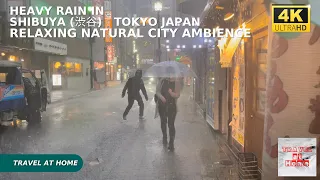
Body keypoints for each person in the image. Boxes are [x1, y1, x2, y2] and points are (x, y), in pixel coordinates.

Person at [155, 67, 181, 151]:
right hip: (162, 106)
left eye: (171, 73)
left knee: (171, 124)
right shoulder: (162, 81)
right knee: (163, 122)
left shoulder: (177, 82)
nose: (170, 75)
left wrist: (171, 93)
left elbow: (177, 95)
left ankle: (171, 143)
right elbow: (157, 92)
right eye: (168, 73)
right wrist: (161, 97)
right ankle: (164, 137)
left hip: (171, 106)